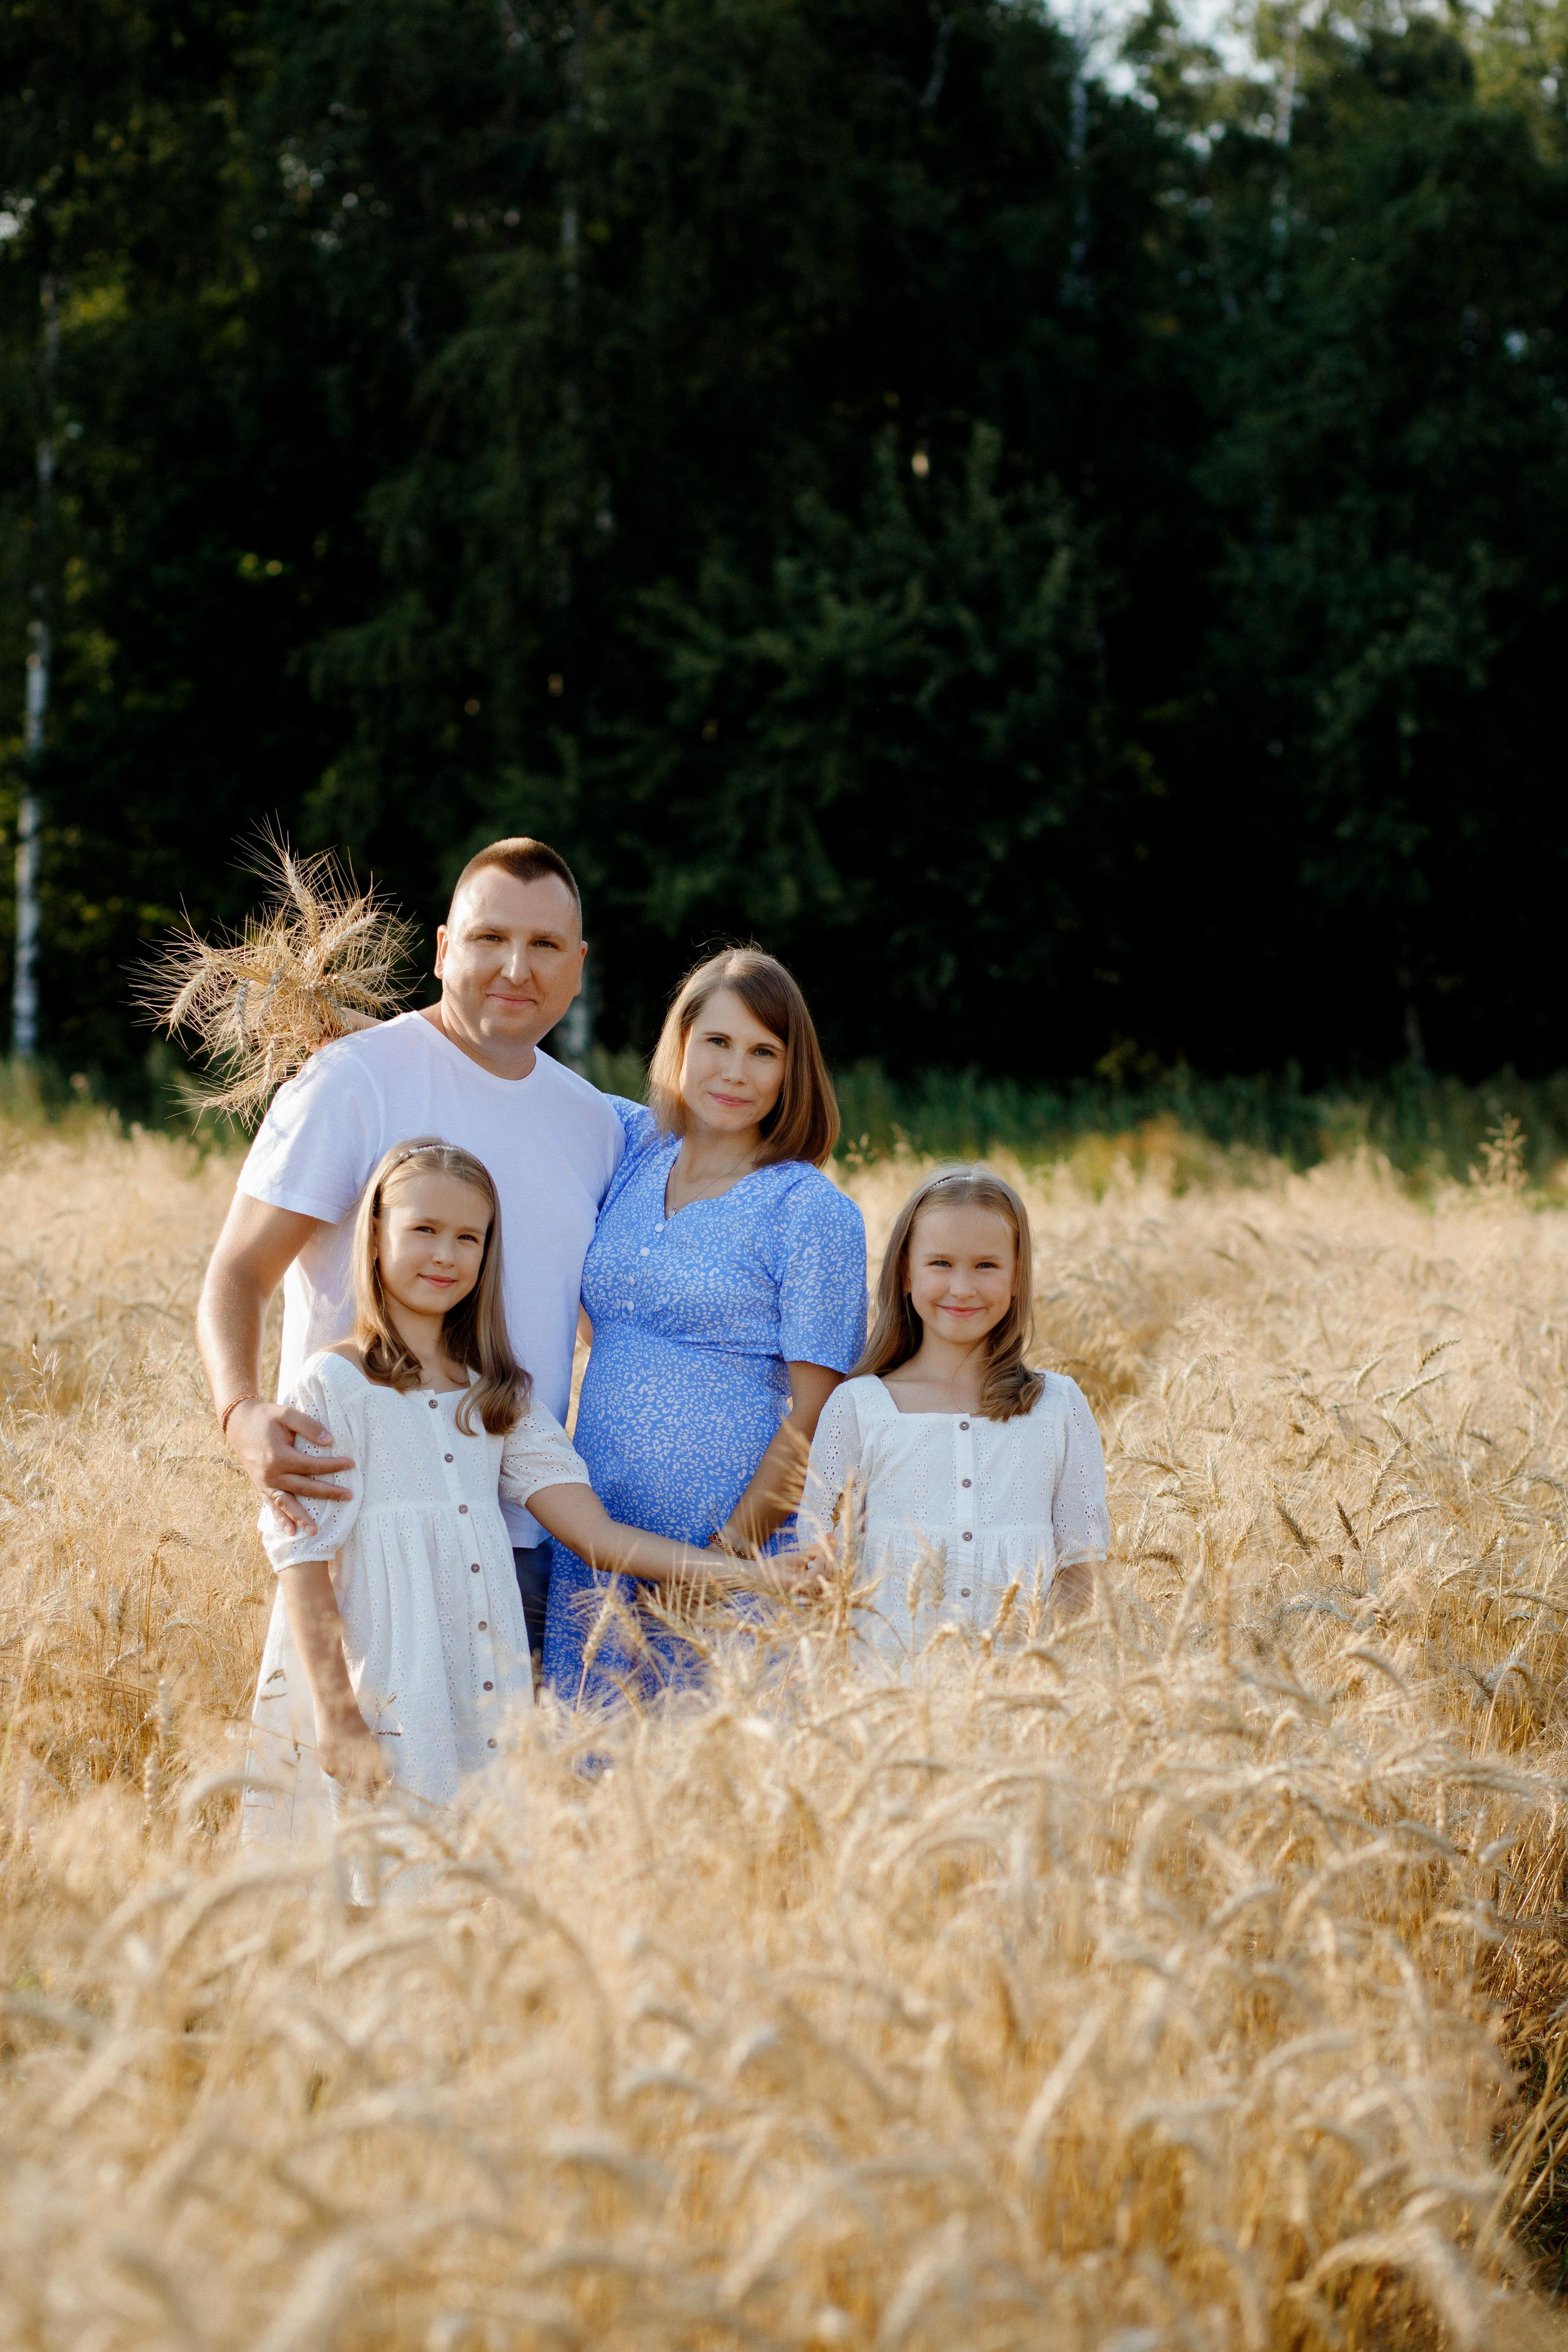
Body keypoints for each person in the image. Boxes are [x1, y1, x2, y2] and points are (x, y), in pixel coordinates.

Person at [244, 1139, 778, 1845]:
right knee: (368, 1872)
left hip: (475, 1676)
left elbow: (598, 1536)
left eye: (468, 1237)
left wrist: (749, 1574)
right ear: (376, 1236)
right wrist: (339, 1716)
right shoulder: (334, 1385)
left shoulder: (495, 1397)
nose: (445, 1255)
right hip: (379, 1678)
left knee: (471, 1875)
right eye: (424, 1230)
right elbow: (303, 1563)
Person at [197, 836, 624, 1668]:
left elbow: (583, 1318)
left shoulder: (595, 1123)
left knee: (501, 1790)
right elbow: (239, 1270)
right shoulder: (352, 1079)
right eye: (489, 938)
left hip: (525, 1530)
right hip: (371, 1519)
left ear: (577, 966)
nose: (515, 968)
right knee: (370, 1781)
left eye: (543, 946)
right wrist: (239, 1412)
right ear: (441, 950)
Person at [542, 949, 867, 1709]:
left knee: (717, 1795)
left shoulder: (809, 1211)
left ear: (792, 1073)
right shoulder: (632, 1149)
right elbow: (505, 1083)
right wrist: (358, 1030)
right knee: (591, 1790)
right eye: (717, 1043)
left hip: (732, 1552)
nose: (735, 1071)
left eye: (764, 1053)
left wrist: (726, 1561)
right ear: (680, 1045)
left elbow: (817, 1418)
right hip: (600, 1542)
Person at [799, 1166, 1108, 1666]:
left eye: (986, 1265)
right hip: (888, 1689)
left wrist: (1044, 1671)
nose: (962, 1288)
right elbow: (819, 1547)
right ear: (905, 1272)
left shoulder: (1058, 1406)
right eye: (940, 1263)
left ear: (1016, 1277)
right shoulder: (859, 1406)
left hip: (1019, 1699)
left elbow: (1080, 1563)